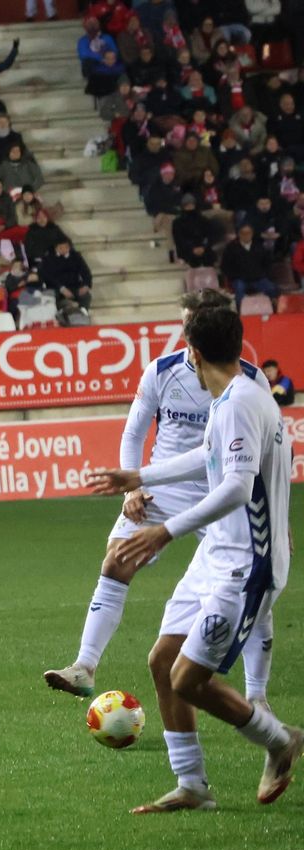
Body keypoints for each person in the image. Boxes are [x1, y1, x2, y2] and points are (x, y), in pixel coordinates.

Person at [87, 306, 300, 813]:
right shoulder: (240, 394)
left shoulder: (238, 404)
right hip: (217, 553)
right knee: (162, 661)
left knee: (188, 678)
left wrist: (166, 530)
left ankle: (280, 740)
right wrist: (140, 477)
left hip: (247, 563)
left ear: (194, 353)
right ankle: (192, 784)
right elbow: (207, 459)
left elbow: (235, 486)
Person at [45, 292, 271, 702]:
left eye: (195, 326)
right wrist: (134, 487)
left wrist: (276, 518)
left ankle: (257, 695)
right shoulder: (162, 371)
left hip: (224, 493)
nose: (187, 337)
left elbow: (265, 453)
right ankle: (84, 666)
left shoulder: (250, 382)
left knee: (252, 585)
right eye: (185, 325)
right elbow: (134, 433)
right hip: (165, 487)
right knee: (117, 560)